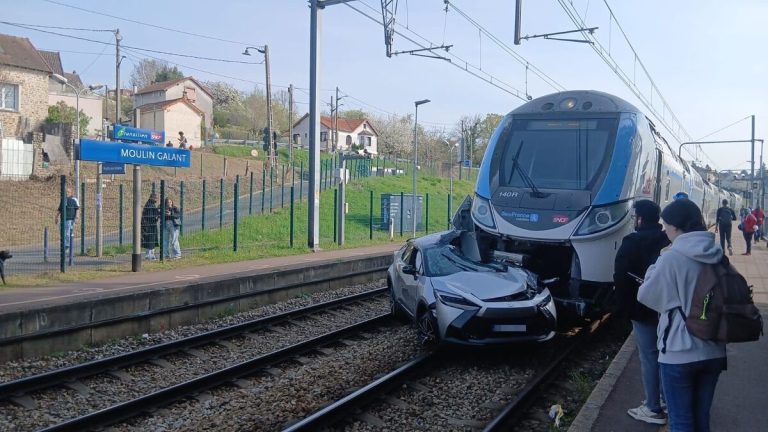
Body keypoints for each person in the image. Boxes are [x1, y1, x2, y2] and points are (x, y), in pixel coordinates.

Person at [638, 199, 726, 432]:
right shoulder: (718, 254)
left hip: (679, 352)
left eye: (666, 226)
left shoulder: (671, 257)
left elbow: (648, 296)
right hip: (714, 349)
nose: (664, 230)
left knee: (681, 422)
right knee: (700, 419)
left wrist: (655, 266)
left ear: (676, 227)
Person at [614, 200, 670, 425]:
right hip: (666, 309)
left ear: (639, 218)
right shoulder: (668, 239)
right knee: (665, 354)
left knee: (649, 356)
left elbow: (621, 277)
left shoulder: (632, 241)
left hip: (642, 308)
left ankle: (652, 407)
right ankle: (666, 400)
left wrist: (623, 309)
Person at [55, 187, 80, 252]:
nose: (66, 193)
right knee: (62, 232)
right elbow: (59, 209)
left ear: (71, 193)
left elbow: (77, 209)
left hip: (70, 219)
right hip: (63, 219)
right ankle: (64, 245)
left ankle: (67, 246)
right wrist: (56, 217)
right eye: (66, 192)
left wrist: (77, 217)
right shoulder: (63, 200)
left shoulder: (74, 199)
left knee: (68, 233)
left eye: (68, 192)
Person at [141, 193, 160, 260]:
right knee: (150, 240)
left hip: (151, 226)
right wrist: (157, 215)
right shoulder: (149, 205)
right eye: (155, 198)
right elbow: (151, 217)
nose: (156, 199)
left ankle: (151, 255)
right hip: (149, 226)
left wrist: (157, 212)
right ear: (151, 198)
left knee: (152, 240)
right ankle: (149, 255)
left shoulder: (151, 204)